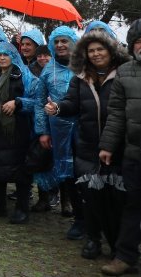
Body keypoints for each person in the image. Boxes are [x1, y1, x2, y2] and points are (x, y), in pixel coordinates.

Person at [45, 30, 128, 259]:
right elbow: (72, 103)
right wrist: (58, 108)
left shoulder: (124, 75)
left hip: (117, 149)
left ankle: (117, 245)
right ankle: (92, 240)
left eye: (100, 49)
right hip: (87, 147)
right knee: (90, 196)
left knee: (115, 198)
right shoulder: (80, 78)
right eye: (91, 50)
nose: (96, 54)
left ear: (111, 51)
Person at [0, 43, 41, 224]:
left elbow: (36, 101)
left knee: (18, 170)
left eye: (6, 55)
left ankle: (22, 208)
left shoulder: (24, 76)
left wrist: (18, 103)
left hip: (15, 131)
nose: (2, 58)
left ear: (13, 56)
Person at [99, 19, 141, 276]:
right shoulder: (125, 73)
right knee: (132, 205)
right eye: (138, 41)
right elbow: (115, 114)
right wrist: (107, 146)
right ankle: (125, 256)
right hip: (134, 154)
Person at [36, 26, 83, 238]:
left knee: (84, 172)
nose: (60, 45)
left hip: (84, 129)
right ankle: (77, 217)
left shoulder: (85, 67)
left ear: (73, 42)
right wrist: (43, 131)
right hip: (57, 130)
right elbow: (39, 102)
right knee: (66, 172)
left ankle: (89, 218)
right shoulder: (48, 70)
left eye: (64, 41)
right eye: (56, 41)